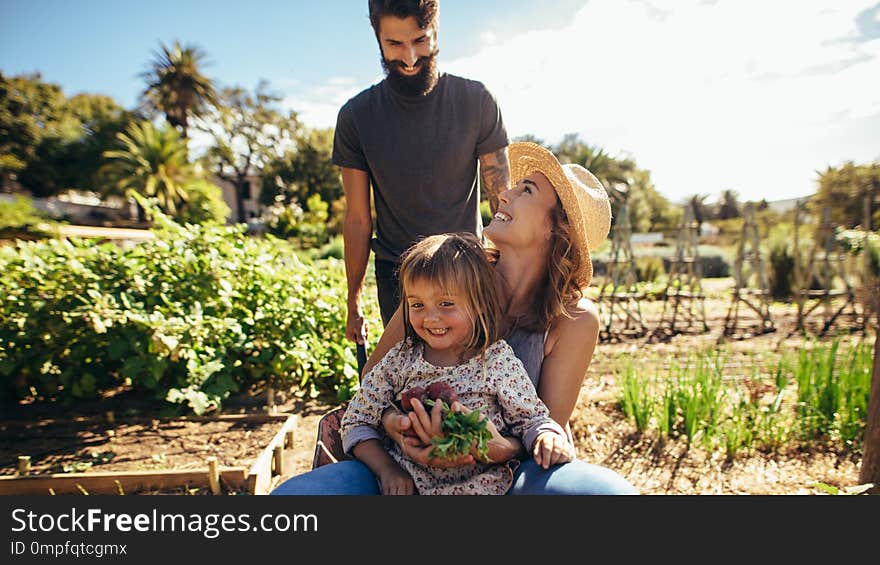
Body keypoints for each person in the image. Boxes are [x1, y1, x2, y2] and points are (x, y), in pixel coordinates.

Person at [271, 142, 638, 495]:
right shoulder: (449, 271)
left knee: (611, 495)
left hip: (503, 477)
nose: (504, 194)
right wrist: (398, 429)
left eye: (526, 190)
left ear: (555, 227)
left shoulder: (573, 318)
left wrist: (492, 447)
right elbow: (375, 380)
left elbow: (543, 431)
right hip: (403, 465)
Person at [339, 233, 574, 495]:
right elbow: (356, 421)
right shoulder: (399, 361)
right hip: (411, 487)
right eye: (417, 304)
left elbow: (530, 420)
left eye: (446, 303)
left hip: (485, 489)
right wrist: (387, 470)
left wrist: (546, 436)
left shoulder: (496, 361)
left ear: (478, 306)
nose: (430, 317)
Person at [334, 0, 510, 343]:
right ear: (376, 37)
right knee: (410, 390)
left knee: (472, 387)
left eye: (420, 40)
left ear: (436, 31)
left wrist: (510, 276)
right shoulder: (356, 116)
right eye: (394, 44)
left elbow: (502, 200)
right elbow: (357, 218)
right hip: (398, 280)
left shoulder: (476, 101)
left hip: (467, 271)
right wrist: (353, 301)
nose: (410, 57)